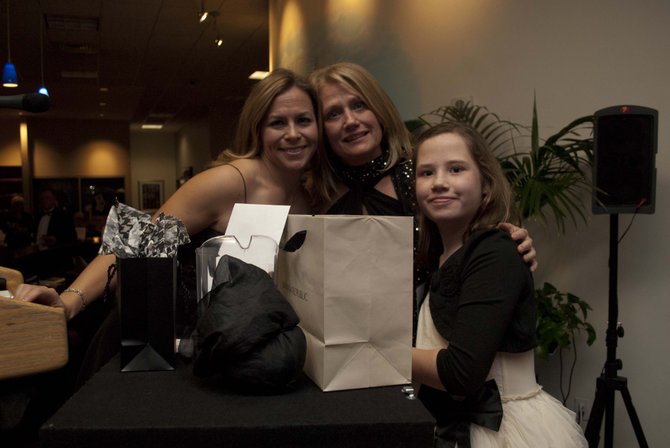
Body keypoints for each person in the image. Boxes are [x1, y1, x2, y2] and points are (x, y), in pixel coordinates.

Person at [15, 67, 322, 322]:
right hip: (187, 338)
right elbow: (136, 243)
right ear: (258, 129)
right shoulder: (229, 181)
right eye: (278, 123)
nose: (293, 134)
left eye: (304, 121)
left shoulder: (308, 195)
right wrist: (69, 302)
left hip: (260, 340)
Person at [410, 122, 587, 447]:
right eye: (426, 173)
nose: (439, 183)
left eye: (456, 169)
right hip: (447, 425)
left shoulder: (495, 251)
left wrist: (378, 355)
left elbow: (461, 374)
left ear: (486, 184)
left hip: (502, 431)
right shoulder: (437, 255)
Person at [308, 62, 536, 271]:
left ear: (379, 110)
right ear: (320, 128)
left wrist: (513, 240)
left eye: (359, 105)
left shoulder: (422, 177)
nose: (350, 121)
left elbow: (481, 237)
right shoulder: (315, 195)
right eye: (333, 114)